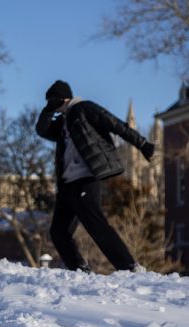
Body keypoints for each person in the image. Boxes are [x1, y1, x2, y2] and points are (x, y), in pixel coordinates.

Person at [35, 80, 155, 272]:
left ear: (63, 98)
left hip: (86, 179)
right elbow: (42, 130)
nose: (53, 106)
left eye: (53, 101)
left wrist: (142, 144)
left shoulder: (84, 109)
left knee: (95, 224)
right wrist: (47, 111)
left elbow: (115, 124)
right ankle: (80, 269)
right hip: (66, 184)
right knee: (58, 232)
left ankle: (130, 266)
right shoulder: (61, 122)